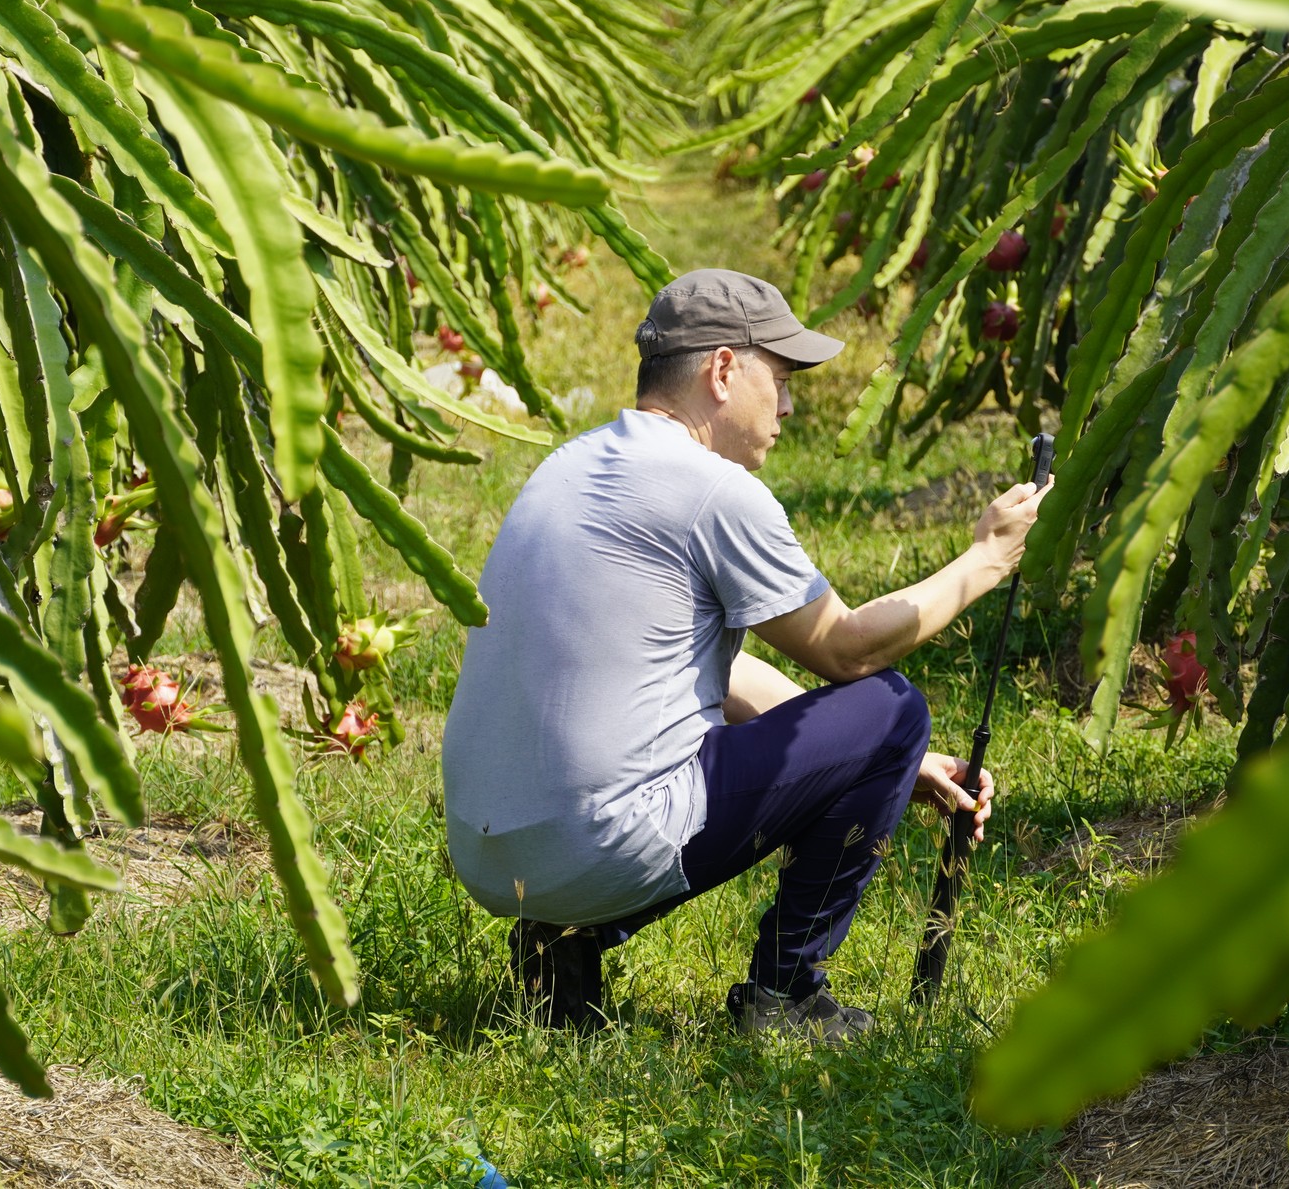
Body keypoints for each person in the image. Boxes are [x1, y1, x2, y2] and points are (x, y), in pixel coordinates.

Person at [440, 269, 1048, 1043]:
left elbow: (691, 665)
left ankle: (562, 943)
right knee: (895, 706)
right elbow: (849, 651)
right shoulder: (707, 489)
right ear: (724, 370)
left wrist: (886, 762)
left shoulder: (571, 466)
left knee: (886, 732)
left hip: (493, 858)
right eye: (783, 378)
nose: (790, 406)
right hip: (593, 847)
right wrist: (984, 561)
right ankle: (786, 993)